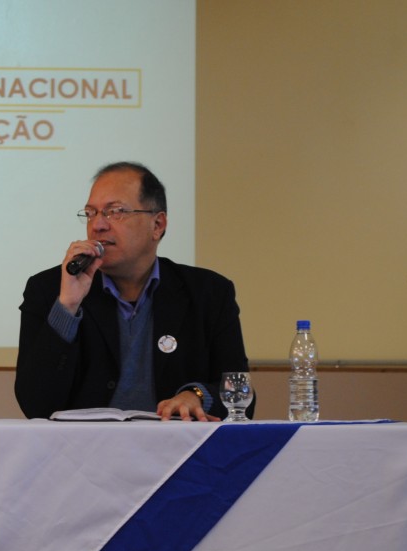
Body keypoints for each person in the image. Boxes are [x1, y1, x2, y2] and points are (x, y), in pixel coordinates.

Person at [15, 162, 251, 421]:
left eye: (115, 212)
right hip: (83, 454)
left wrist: (196, 395)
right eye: (91, 213)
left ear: (158, 225)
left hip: (178, 451)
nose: (98, 225)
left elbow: (242, 396)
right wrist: (68, 306)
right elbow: (34, 405)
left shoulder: (209, 293)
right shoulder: (50, 289)